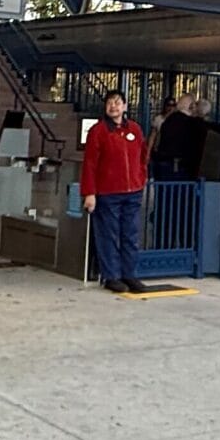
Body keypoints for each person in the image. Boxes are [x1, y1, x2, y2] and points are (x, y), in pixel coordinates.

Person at [81, 90, 153, 295]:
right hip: (108, 192)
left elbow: (143, 156)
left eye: (118, 103)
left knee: (130, 234)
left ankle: (129, 273)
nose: (114, 106)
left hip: (132, 191)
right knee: (109, 235)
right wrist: (90, 192)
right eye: (110, 103)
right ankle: (111, 275)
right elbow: (90, 164)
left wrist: (141, 179)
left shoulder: (135, 129)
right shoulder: (99, 131)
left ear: (125, 106)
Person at [149, 92, 209, 181]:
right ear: (191, 106)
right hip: (180, 169)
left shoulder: (168, 120)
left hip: (163, 165)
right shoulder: (193, 124)